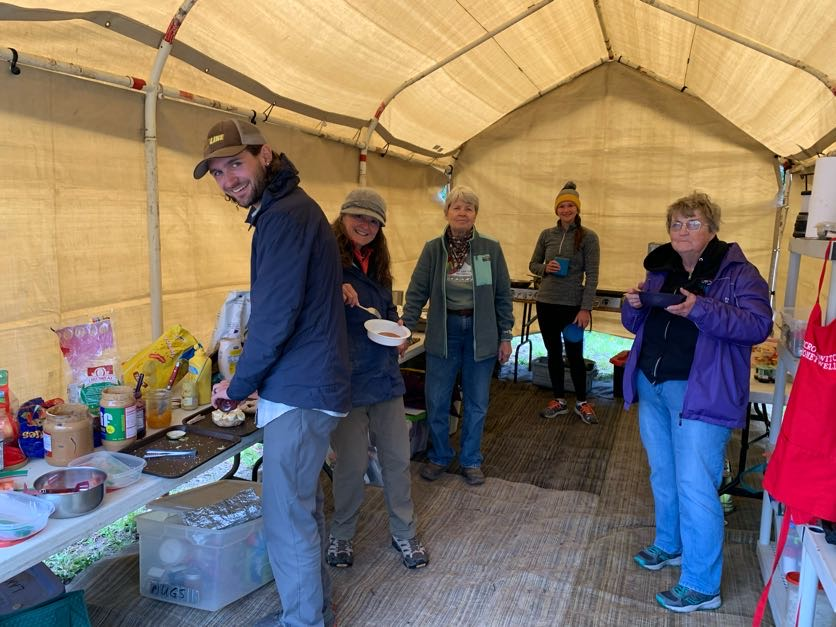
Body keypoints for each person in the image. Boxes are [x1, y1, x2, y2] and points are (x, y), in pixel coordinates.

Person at [194, 118, 351, 627]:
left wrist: (236, 387)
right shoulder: (287, 211)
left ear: (265, 155)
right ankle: (311, 613)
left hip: (302, 389)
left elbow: (275, 313)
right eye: (218, 172)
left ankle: (303, 621)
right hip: (307, 382)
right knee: (299, 509)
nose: (228, 180)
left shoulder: (284, 216)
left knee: (287, 517)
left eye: (235, 165)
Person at [620, 191, 771, 613]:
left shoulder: (737, 272)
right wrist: (632, 305)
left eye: (692, 223)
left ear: (711, 228)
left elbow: (758, 324)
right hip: (653, 383)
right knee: (663, 472)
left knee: (695, 485)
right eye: (676, 224)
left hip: (701, 390)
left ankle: (703, 584)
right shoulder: (662, 267)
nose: (682, 231)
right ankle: (669, 544)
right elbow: (637, 325)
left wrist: (699, 309)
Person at [327, 188, 428, 570]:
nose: (365, 225)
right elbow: (304, 299)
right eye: (358, 217)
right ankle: (342, 535)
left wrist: (398, 330)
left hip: (385, 377)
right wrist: (331, 288)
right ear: (343, 217)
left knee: (397, 461)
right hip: (346, 380)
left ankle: (404, 532)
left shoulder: (379, 267)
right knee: (350, 465)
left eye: (372, 221)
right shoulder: (326, 260)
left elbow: (386, 313)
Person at [401, 185, 514, 486]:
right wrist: (405, 329)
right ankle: (439, 455)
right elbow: (416, 293)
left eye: (469, 208)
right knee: (436, 399)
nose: (462, 212)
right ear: (447, 212)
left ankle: (470, 459)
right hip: (444, 332)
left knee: (477, 401)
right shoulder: (433, 250)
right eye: (457, 207)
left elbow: (503, 295)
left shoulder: (490, 249)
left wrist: (506, 335)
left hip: (482, 333)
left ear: (476, 214)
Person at [528, 181, 600, 424]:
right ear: (556, 209)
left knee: (575, 355)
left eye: (571, 205)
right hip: (546, 303)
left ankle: (582, 402)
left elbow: (592, 275)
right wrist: (545, 268)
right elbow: (533, 265)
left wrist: (585, 308)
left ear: (577, 209)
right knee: (553, 353)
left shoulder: (589, 237)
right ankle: (558, 399)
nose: (566, 210)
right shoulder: (546, 235)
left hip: (572, 308)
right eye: (562, 206)